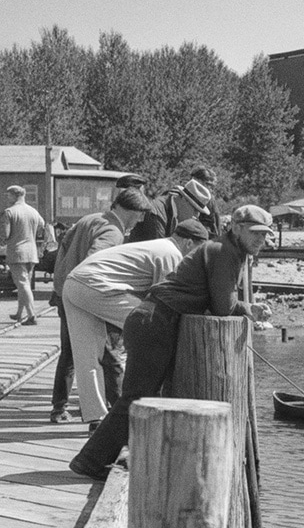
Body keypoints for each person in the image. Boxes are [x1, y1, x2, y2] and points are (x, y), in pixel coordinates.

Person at [69, 205, 276, 480]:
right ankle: (89, 461)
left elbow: (220, 301)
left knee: (147, 396)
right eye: (255, 233)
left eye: (265, 234)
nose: (261, 239)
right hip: (155, 321)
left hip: (153, 320)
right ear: (237, 228)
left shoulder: (226, 250)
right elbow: (223, 307)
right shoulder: (224, 252)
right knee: (136, 397)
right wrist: (247, 308)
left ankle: (126, 455)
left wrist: (246, 307)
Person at [62, 221, 208, 424]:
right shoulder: (172, 254)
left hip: (73, 283)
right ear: (189, 243)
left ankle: (96, 417)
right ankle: (149, 403)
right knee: (149, 325)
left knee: (86, 357)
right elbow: (166, 299)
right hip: (95, 285)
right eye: (198, 251)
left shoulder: (157, 246)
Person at [49, 187, 152, 424]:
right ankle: (118, 413)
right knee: (108, 355)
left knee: (70, 354)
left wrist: (60, 285)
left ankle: (59, 407)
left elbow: (63, 250)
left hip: (65, 292)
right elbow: (94, 266)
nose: (140, 220)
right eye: (140, 214)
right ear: (130, 210)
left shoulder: (90, 219)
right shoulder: (113, 232)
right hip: (87, 300)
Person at [1, 185, 45, 325]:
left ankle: (31, 315)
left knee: (22, 284)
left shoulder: (9, 212)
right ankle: (19, 313)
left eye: (9, 195)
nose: (7, 198)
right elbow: (42, 225)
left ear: (15, 195)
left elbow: (5, 234)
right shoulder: (33, 211)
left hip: (16, 252)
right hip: (31, 252)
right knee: (25, 284)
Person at [127, 178, 210, 243]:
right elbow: (159, 251)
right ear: (184, 200)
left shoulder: (174, 211)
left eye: (199, 212)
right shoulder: (157, 213)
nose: (196, 215)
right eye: (195, 209)